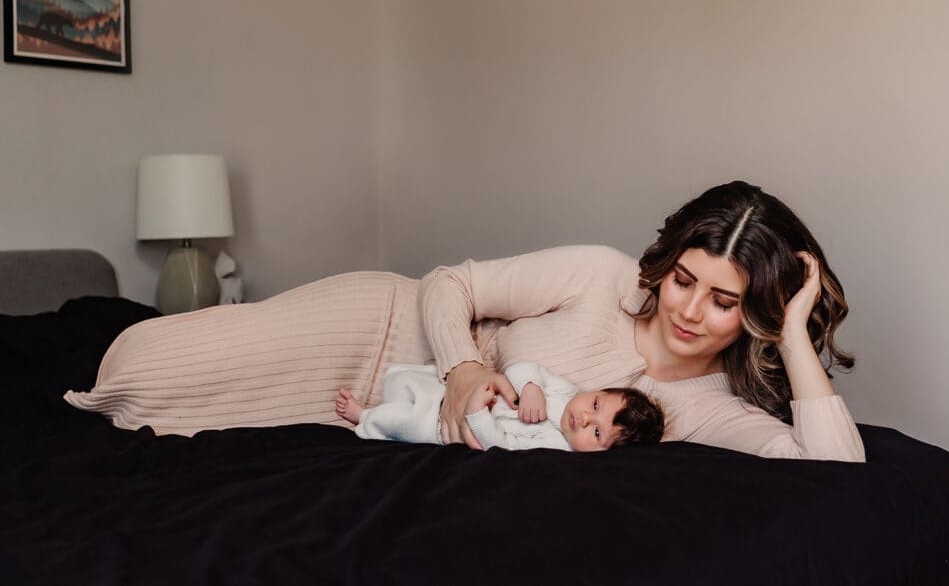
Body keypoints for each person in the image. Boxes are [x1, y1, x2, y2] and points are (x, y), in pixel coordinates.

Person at [65, 180, 865, 462]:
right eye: (686, 279)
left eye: (724, 300)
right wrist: (463, 367)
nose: (690, 309)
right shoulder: (602, 275)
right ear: (665, 263)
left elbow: (834, 466)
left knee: (172, 428)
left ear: (753, 311)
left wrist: (794, 331)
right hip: (384, 330)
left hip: (379, 422)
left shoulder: (710, 409)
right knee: (141, 363)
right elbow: (451, 282)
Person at [334, 361, 665, 451]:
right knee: (417, 382)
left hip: (450, 428)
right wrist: (531, 387)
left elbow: (500, 445)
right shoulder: (563, 391)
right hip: (454, 396)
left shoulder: (554, 445)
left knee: (404, 423)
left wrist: (478, 413)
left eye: (596, 432)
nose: (583, 417)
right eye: (595, 403)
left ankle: (365, 415)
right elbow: (523, 366)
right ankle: (386, 399)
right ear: (595, 391)